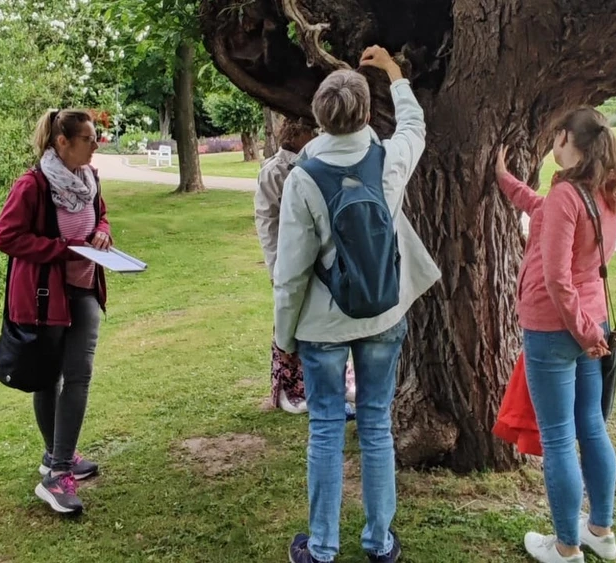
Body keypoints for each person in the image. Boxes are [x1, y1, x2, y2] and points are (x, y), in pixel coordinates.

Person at [274, 45, 441, 563]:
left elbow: (291, 273)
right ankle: (379, 541)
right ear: (366, 115)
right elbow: (414, 125)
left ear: (318, 119)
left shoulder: (302, 178)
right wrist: (394, 74)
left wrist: (284, 342)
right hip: (384, 314)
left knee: (324, 428)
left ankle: (321, 547)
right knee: (375, 424)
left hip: (323, 326)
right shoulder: (388, 159)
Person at [495, 107, 616, 563]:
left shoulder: (567, 196)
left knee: (558, 438)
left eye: (557, 136)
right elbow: (542, 211)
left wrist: (579, 332)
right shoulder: (605, 192)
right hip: (590, 327)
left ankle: (566, 547)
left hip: (556, 329)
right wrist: (506, 179)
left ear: (565, 140)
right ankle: (600, 531)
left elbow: (557, 280)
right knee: (591, 427)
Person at [0, 109, 112, 515]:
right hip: (47, 297)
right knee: (49, 378)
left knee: (78, 375)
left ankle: (59, 461)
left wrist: (102, 232)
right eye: (88, 139)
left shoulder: (89, 179)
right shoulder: (33, 185)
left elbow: (101, 217)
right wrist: (60, 250)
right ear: (62, 142)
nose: (96, 145)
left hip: (85, 289)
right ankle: (56, 467)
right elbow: (7, 236)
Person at [255, 119, 357, 415]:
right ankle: (290, 388)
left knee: (325, 319)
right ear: (296, 134)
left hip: (320, 259)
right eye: (310, 132)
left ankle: (338, 380)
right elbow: (267, 222)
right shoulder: (275, 171)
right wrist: (276, 267)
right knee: (290, 318)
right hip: (290, 258)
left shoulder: (319, 163)